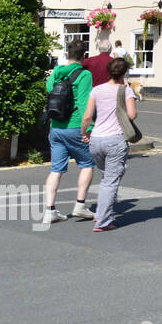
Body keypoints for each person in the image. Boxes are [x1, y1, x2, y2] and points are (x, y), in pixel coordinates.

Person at [80, 56, 137, 232]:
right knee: (111, 181)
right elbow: (132, 114)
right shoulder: (125, 90)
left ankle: (101, 213)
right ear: (124, 73)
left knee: (107, 177)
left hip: (96, 140)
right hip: (115, 139)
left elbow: (88, 116)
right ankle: (103, 221)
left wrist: (84, 132)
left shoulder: (96, 90)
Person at [43, 41, 96, 224]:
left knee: (56, 170)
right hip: (74, 127)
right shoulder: (85, 75)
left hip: (56, 127)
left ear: (67, 55)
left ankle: (50, 210)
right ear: (84, 56)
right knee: (87, 163)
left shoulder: (56, 73)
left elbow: (49, 90)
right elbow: (83, 104)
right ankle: (80, 205)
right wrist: (87, 129)